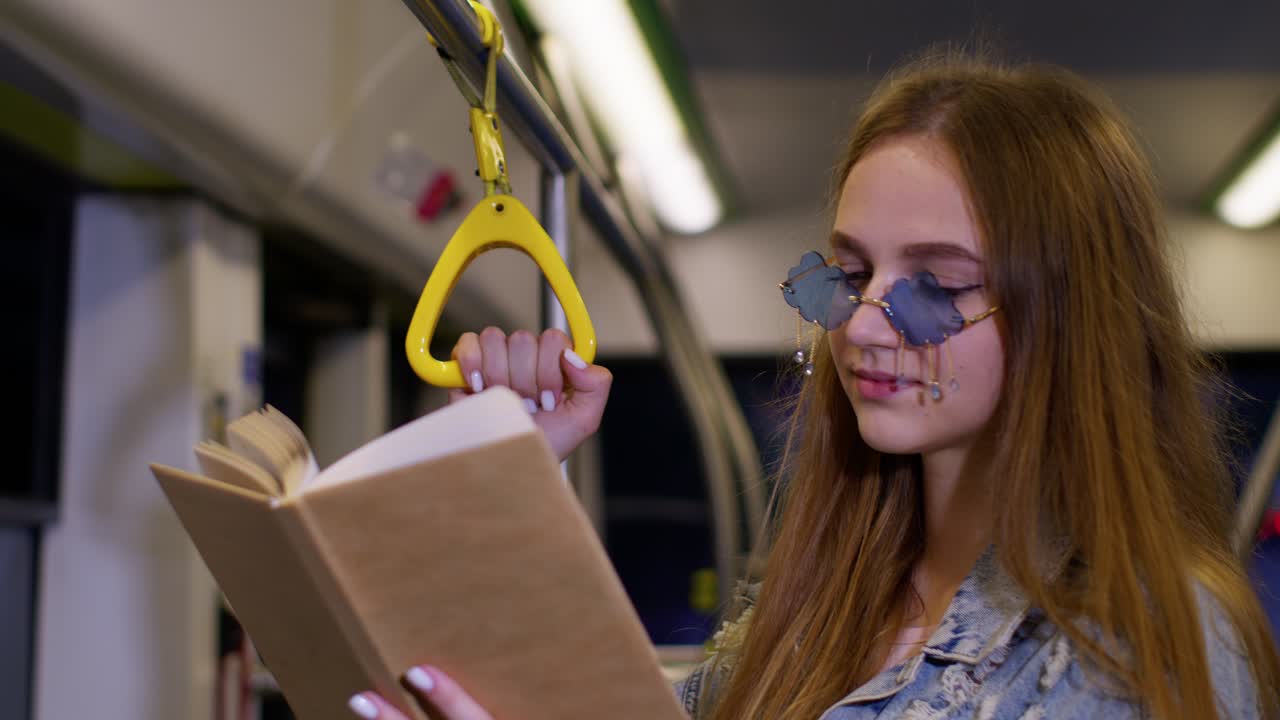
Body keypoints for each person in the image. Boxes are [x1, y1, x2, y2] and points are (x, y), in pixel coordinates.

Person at [346, 51, 1280, 719]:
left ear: (1069, 317)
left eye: (937, 285)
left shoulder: (1146, 639)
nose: (864, 323)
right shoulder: (822, 608)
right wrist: (502, 472)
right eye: (852, 274)